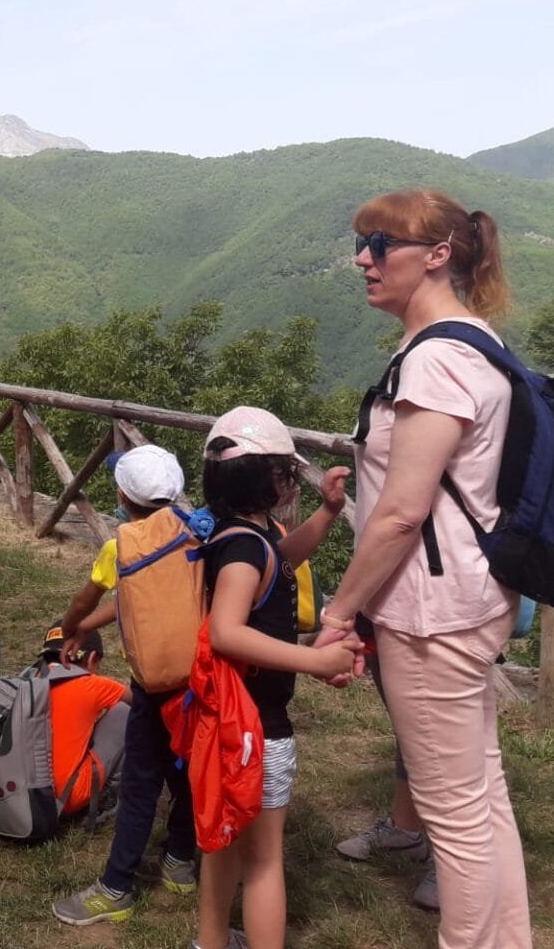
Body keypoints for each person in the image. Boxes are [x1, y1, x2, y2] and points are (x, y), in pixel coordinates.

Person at [315, 190, 529, 948]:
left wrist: (339, 613)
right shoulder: (473, 340)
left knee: (457, 817)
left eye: (380, 243)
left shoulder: (436, 358)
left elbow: (403, 512)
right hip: (470, 598)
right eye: (362, 243)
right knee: (481, 797)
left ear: (437, 255)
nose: (362, 259)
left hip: (432, 613)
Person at [193, 407, 357, 949]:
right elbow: (226, 632)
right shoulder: (243, 548)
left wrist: (327, 514)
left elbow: (280, 560)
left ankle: (211, 941)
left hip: (226, 722)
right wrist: (314, 661)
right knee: (263, 862)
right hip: (256, 729)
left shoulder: (247, 534)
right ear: (266, 479)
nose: (290, 483)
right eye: (286, 473)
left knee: (221, 843)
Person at [52, 444, 200, 924]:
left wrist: (73, 625)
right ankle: (180, 860)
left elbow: (86, 599)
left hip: (153, 685)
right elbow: (136, 601)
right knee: (187, 770)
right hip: (198, 677)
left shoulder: (122, 546)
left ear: (121, 494)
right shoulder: (198, 533)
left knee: (140, 784)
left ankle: (116, 888)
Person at [334, 614, 439, 912]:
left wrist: (339, 611)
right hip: (389, 612)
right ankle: (405, 832)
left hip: (442, 615)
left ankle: (460, 864)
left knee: (443, 738)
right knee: (410, 729)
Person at [38, 624, 131, 821]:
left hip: (27, 794)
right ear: (91, 658)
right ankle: (107, 795)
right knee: (126, 711)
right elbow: (142, 701)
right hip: (66, 799)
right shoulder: (91, 685)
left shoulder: (30, 680)